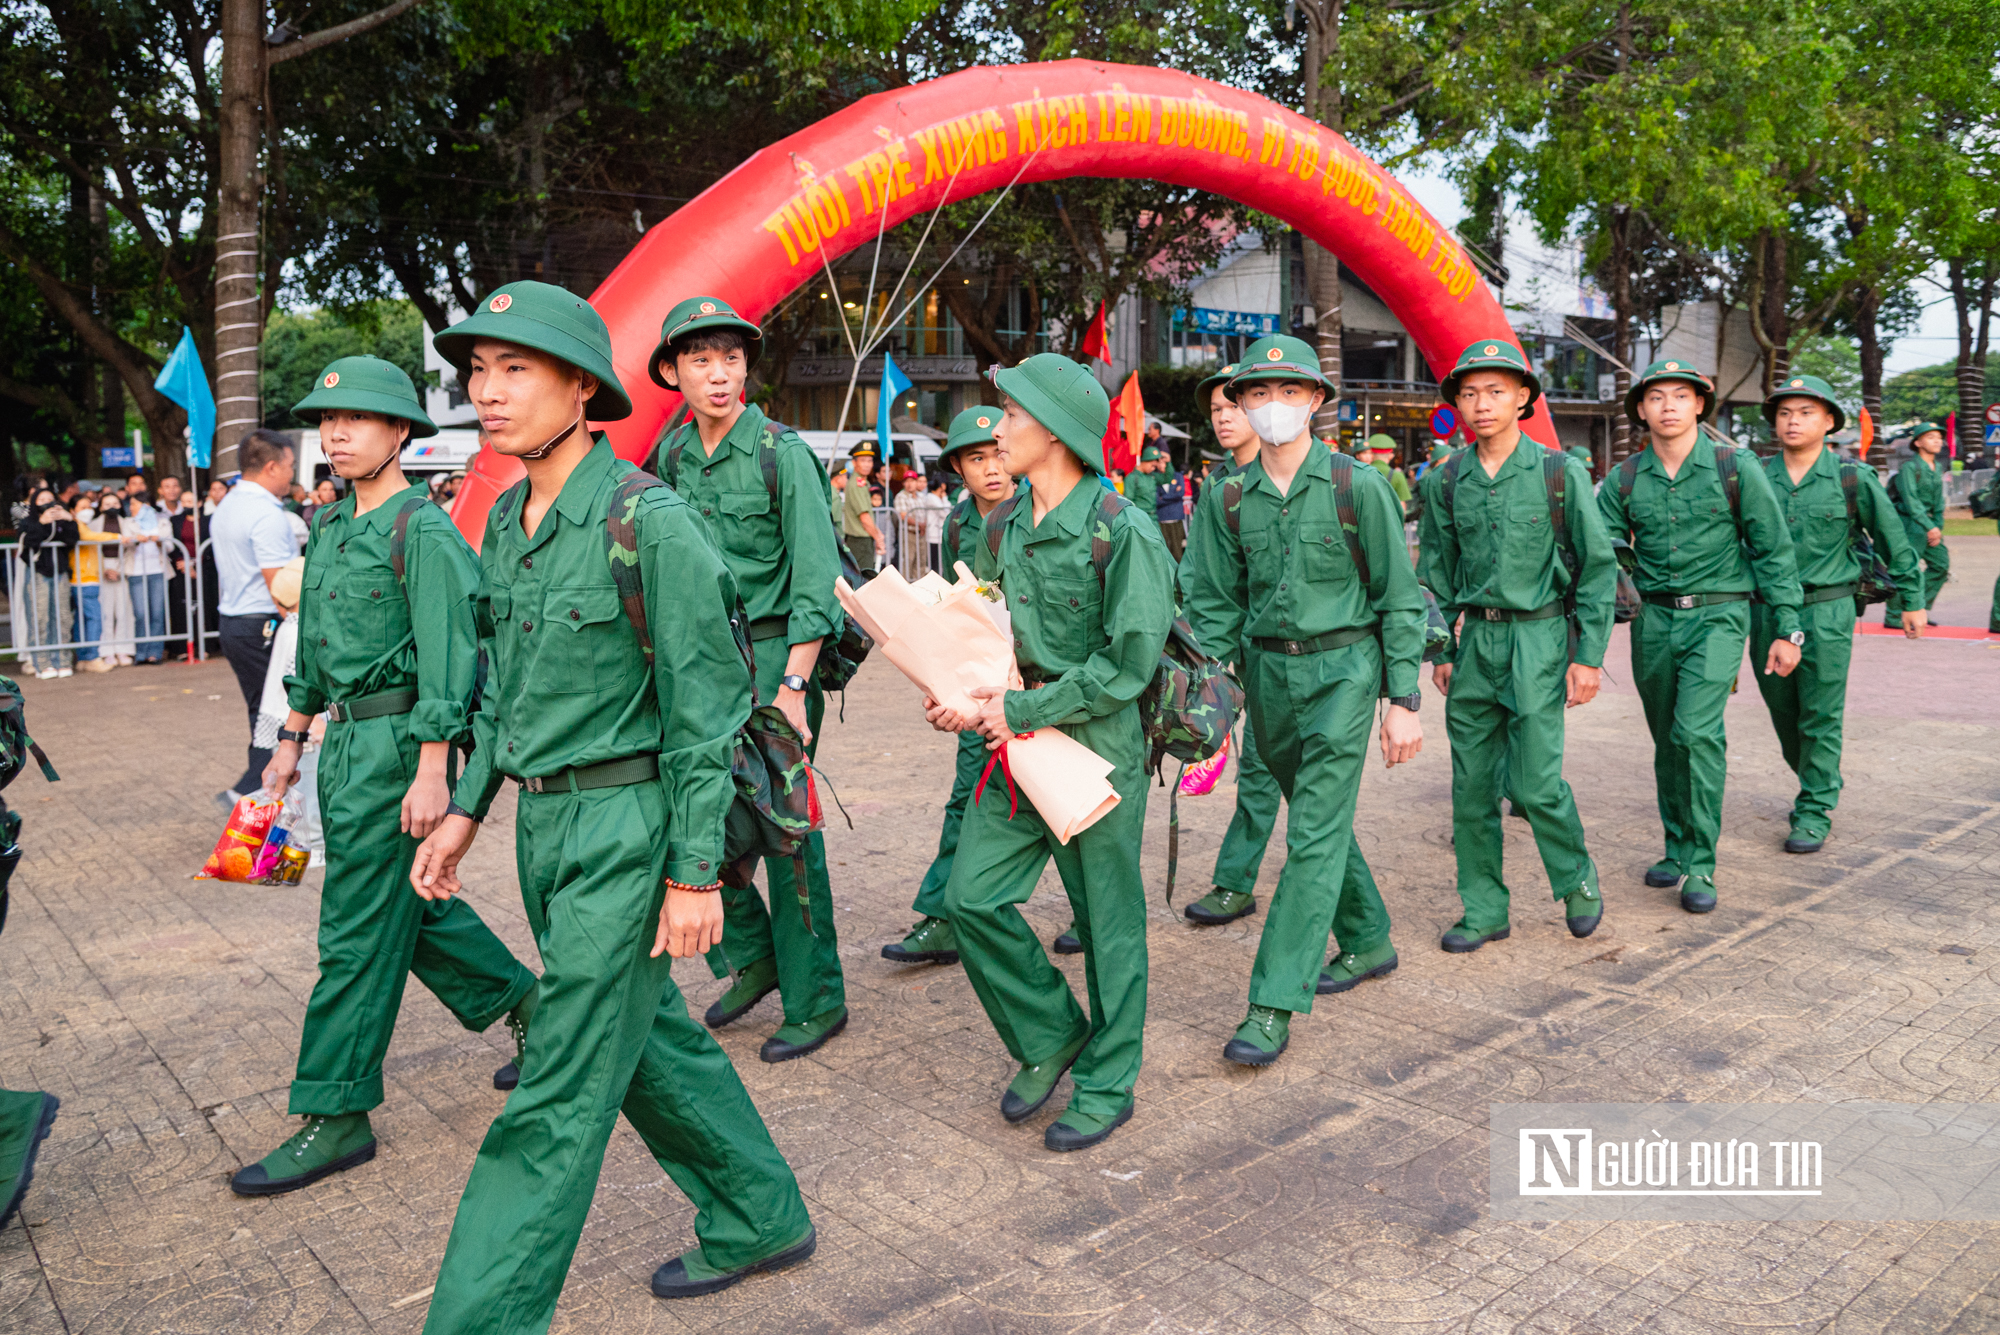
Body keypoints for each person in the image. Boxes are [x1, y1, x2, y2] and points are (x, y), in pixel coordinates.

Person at [408, 282, 815, 1325]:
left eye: (515, 370)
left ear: (582, 386)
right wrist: (465, 808)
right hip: (546, 830)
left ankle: (480, 1317)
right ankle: (758, 1212)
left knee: (555, 1090)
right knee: (651, 1043)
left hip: (628, 835)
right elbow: (508, 690)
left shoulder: (650, 520)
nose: (487, 394)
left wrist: (691, 871)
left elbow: (703, 718)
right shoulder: (506, 517)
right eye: (477, 373)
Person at [226, 356, 541, 1199]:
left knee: (355, 935)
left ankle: (337, 1112)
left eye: (358, 419)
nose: (336, 433)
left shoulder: (423, 532)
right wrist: (290, 737)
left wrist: (435, 768)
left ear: (401, 431)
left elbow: (450, 660)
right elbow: (317, 647)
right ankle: (535, 1012)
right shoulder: (327, 528)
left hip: (403, 746)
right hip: (344, 746)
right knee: (407, 905)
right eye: (327, 421)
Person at [922, 354, 1172, 1153]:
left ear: (1059, 431)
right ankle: (1051, 1032)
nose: (999, 432)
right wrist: (964, 694)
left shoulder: (1122, 530)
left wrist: (1018, 705)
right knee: (969, 898)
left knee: (1108, 922)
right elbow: (991, 632)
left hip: (1094, 749)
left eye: (1016, 417)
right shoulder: (1004, 524)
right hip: (1017, 742)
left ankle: (1108, 1080)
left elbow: (1127, 668)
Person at [1182, 335, 1425, 1067]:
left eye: (1290, 393)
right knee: (1320, 819)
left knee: (1311, 835)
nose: (1274, 406)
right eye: (1258, 394)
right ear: (1242, 405)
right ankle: (1370, 936)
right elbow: (1213, 601)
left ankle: (1271, 1002)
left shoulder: (1358, 486)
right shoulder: (1226, 498)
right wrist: (1214, 690)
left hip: (1345, 672)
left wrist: (1402, 697)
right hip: (1266, 678)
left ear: (1317, 402)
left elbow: (1400, 600)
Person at [648, 295, 849, 1063]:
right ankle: (754, 958)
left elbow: (814, 577)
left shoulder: (780, 452)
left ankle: (817, 997)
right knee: (696, 824)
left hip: (774, 664)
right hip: (700, 667)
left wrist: (793, 689)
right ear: (673, 372)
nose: (719, 373)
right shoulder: (668, 458)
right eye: (700, 359)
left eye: (730, 357)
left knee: (787, 834)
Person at [1420, 342, 1615, 953]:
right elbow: (1435, 571)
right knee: (1473, 787)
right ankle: (1483, 910)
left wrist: (1588, 657)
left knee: (1533, 783)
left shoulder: (1559, 474)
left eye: (1497, 391)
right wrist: (1440, 651)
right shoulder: (1445, 480)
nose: (1482, 404)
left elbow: (1598, 567)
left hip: (1541, 637)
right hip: (1474, 641)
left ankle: (1575, 876)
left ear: (1524, 397)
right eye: (1470, 393)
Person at [1597, 360, 1803, 913]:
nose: (1668, 405)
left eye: (1680, 396)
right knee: (1667, 737)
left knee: (1695, 732)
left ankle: (1701, 864)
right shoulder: (1623, 478)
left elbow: (1773, 549)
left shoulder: (1734, 467)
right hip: (1653, 620)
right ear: (1640, 409)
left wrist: (1788, 628)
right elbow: (1601, 543)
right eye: (1656, 396)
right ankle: (1676, 846)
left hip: (1718, 616)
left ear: (1698, 406)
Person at [1755, 375, 1924, 855]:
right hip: (1765, 613)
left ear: (1829, 422)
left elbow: (1893, 538)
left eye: (1806, 412)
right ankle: (1818, 775)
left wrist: (1911, 599)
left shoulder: (1852, 478)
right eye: (1785, 413)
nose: (1793, 421)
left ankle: (1814, 806)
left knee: (1820, 713)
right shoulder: (1753, 476)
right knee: (1783, 711)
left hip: (1827, 610)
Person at [884, 405, 1018, 967]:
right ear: (958, 470)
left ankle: (1089, 917)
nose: (990, 469)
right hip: (982, 685)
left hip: (1042, 689)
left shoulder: (1039, 511)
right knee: (967, 795)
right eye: (975, 459)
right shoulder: (960, 522)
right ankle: (942, 918)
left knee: (1061, 800)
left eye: (996, 455)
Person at [1179, 363, 1284, 928]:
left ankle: (1235, 881)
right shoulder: (1217, 484)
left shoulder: (1284, 481)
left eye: (1232, 406)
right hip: (1219, 649)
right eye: (1216, 409)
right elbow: (1200, 572)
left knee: (1265, 771)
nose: (1222, 417)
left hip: (1272, 651)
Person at [211, 430, 307, 806]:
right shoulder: (267, 514)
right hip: (263, 624)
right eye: (289, 467)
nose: (291, 476)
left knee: (261, 711)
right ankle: (251, 793)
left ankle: (259, 794)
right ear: (270, 467)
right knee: (285, 713)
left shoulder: (229, 504)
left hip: (235, 623)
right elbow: (280, 586)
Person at [1886, 422, 1950, 626]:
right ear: (1918, 442)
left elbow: (1939, 501)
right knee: (1907, 568)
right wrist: (1929, 526)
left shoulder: (1937, 466)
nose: (1937, 441)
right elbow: (1911, 502)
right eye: (1931, 437)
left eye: (1939, 438)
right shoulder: (1909, 467)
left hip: (1930, 523)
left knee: (1940, 565)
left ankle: (1919, 607)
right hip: (1910, 523)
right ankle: (1895, 615)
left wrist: (1937, 526)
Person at [19, 487, 76, 679]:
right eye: (41, 499)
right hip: (38, 574)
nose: (47, 502)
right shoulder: (28, 522)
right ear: (34, 503)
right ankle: (42, 664)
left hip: (60, 573)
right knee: (39, 618)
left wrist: (68, 520)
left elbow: (72, 539)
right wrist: (41, 523)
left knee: (63, 617)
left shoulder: (62, 520)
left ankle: (63, 661)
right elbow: (28, 544)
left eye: (50, 498)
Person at [119, 477, 169, 663]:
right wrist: (133, 539)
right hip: (136, 572)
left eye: (134, 504)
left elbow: (171, 547)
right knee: (140, 614)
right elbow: (123, 543)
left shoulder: (162, 522)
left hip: (157, 571)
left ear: (146, 505)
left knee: (157, 613)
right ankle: (140, 652)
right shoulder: (128, 522)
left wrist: (158, 541)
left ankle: (154, 653)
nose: (131, 507)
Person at [92, 491, 137, 668]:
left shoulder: (127, 524)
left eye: (115, 503)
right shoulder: (93, 524)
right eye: (107, 503)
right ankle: (106, 650)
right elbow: (91, 548)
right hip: (101, 568)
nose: (112, 507)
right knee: (105, 611)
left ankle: (123, 649)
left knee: (124, 610)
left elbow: (131, 546)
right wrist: (103, 569)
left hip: (122, 567)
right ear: (100, 506)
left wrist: (120, 570)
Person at [68, 489, 110, 672]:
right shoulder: (76, 526)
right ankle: (92, 656)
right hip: (82, 580)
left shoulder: (85, 526)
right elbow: (87, 538)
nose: (87, 510)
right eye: (82, 507)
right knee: (94, 618)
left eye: (89, 506)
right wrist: (118, 537)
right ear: (72, 510)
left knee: (83, 620)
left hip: (89, 579)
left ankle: (84, 657)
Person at [841, 443, 888, 573]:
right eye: (863, 461)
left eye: (869, 460)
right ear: (854, 463)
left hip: (862, 540)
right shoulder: (857, 484)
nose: (867, 464)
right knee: (863, 580)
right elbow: (865, 518)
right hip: (859, 541)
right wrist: (878, 539)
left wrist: (878, 534)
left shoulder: (863, 482)